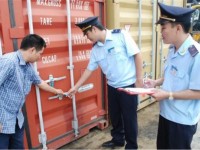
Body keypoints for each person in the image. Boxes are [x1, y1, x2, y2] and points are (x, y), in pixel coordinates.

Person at [67, 16, 143, 149]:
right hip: (112, 86)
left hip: (128, 86)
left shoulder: (121, 36)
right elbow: (89, 70)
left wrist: (139, 80)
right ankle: (118, 139)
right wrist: (76, 87)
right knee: (115, 116)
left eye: (87, 33)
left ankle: (132, 146)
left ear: (94, 29)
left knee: (129, 119)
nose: (86, 37)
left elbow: (137, 54)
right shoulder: (96, 49)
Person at [144, 2, 200, 149]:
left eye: (163, 28)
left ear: (178, 28)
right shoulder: (173, 49)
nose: (160, 32)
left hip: (181, 122)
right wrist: (156, 82)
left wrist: (167, 94)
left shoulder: (196, 55)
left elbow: (198, 93)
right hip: (166, 115)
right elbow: (173, 75)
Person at [0, 34, 64, 149]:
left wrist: (56, 91)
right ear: (32, 50)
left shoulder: (27, 66)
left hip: (17, 119)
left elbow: (39, 82)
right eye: (40, 53)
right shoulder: (8, 62)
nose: (40, 57)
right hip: (2, 120)